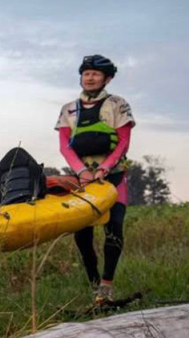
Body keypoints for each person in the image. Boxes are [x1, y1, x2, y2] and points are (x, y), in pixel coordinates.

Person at [54, 54, 136, 305]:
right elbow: (64, 146)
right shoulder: (68, 109)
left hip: (112, 176)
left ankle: (106, 287)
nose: (89, 78)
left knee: (114, 229)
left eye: (95, 74)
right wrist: (82, 171)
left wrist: (104, 169)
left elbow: (123, 141)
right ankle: (94, 287)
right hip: (82, 179)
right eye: (86, 74)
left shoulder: (118, 104)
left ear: (107, 79)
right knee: (82, 236)